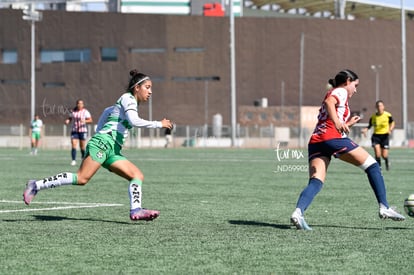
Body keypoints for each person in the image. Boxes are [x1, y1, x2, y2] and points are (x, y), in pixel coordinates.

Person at [23, 69, 174, 221]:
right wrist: (158, 124)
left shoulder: (128, 102)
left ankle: (136, 210)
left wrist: (99, 130)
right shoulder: (128, 98)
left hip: (112, 150)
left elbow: (107, 110)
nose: (150, 92)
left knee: (137, 175)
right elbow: (134, 121)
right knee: (82, 178)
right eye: (147, 87)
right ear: (137, 88)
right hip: (103, 144)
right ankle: (36, 185)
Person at [290, 70, 405, 231]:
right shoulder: (341, 90)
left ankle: (298, 212)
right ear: (348, 81)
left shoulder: (337, 93)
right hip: (331, 138)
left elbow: (329, 114)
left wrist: (347, 124)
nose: (355, 90)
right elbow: (330, 103)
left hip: (316, 141)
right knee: (372, 165)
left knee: (316, 180)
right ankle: (384, 207)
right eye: (355, 85)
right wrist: (338, 122)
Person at [361, 100, 394, 170]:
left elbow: (392, 122)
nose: (379, 107)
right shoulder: (373, 117)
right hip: (376, 136)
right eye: (378, 106)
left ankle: (387, 160)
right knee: (377, 153)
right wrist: (365, 130)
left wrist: (390, 129)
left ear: (383, 107)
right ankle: (379, 168)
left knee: (384, 155)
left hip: (385, 136)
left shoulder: (388, 115)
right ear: (376, 107)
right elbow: (370, 126)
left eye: (381, 106)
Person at [65, 99, 93, 166]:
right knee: (74, 144)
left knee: (82, 146)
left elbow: (90, 120)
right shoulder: (73, 111)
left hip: (82, 131)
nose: (80, 105)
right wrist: (67, 121)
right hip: (74, 131)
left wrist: (85, 121)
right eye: (78, 103)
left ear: (83, 105)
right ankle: (73, 160)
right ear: (76, 104)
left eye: (81, 103)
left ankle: (83, 158)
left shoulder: (85, 112)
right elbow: (70, 118)